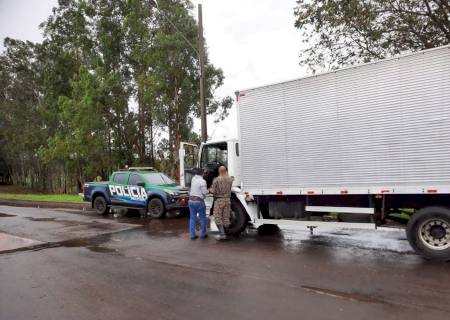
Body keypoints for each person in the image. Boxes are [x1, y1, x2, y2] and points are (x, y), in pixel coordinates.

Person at [209, 166, 233, 240]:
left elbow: (213, 191)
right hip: (228, 200)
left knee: (217, 218)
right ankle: (228, 232)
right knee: (226, 218)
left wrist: (209, 189)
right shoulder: (230, 179)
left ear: (219, 171)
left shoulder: (216, 180)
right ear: (226, 171)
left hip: (219, 201)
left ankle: (222, 234)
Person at [188, 168, 208, 239]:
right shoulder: (202, 181)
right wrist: (209, 191)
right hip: (199, 202)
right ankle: (203, 234)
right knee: (202, 218)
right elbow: (205, 192)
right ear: (202, 173)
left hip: (191, 201)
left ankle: (192, 235)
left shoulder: (193, 178)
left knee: (192, 218)